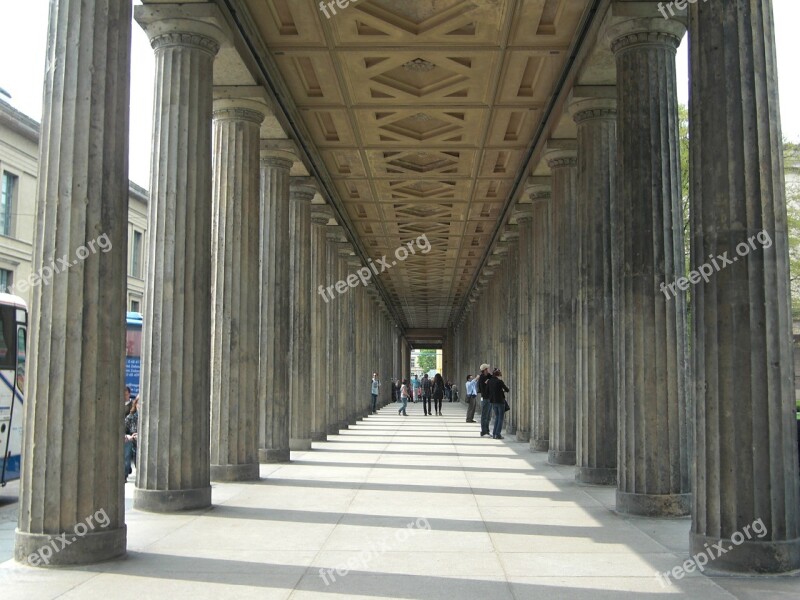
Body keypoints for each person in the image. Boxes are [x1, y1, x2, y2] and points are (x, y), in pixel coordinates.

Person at [487, 368, 510, 439]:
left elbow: (487, 391)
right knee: (500, 418)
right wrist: (502, 390)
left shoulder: (489, 381)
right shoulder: (499, 381)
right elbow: (507, 389)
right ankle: (498, 434)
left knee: (497, 417)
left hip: (493, 402)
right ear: (498, 375)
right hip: (500, 401)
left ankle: (494, 433)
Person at [124, 395, 139, 480]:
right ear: (136, 404)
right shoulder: (131, 417)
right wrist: (130, 436)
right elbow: (123, 429)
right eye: (139, 403)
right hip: (132, 443)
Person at [477, 364, 492, 436]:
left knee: (488, 416)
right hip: (485, 398)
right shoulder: (482, 378)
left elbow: (493, 378)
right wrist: (487, 383)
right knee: (484, 415)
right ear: (485, 370)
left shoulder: (488, 376)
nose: (489, 370)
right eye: (487, 369)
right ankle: (483, 431)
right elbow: (483, 389)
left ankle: (487, 430)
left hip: (489, 398)